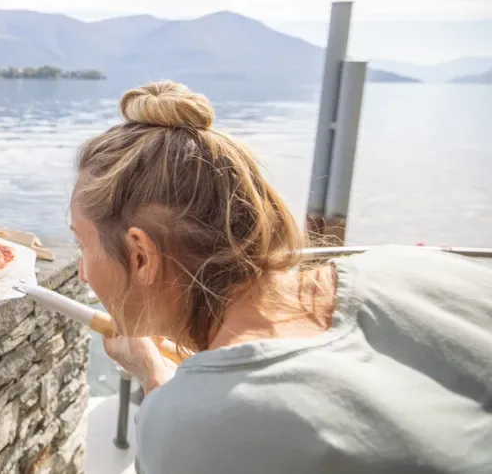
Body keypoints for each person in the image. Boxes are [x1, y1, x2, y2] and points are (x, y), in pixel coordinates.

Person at [71, 80, 492, 474]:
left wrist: (155, 380)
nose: (82, 272)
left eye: (81, 245)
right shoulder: (411, 265)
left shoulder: (192, 424)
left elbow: (196, 432)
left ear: (141, 255)